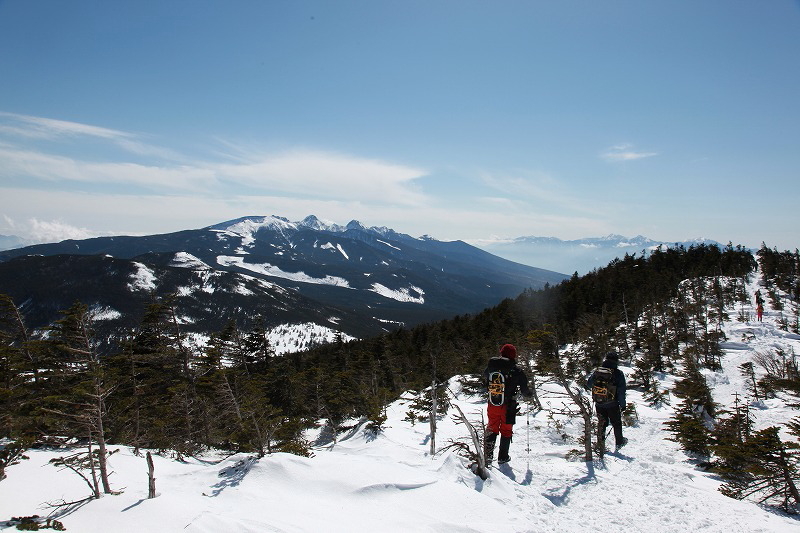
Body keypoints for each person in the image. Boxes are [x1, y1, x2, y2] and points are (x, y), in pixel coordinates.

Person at [483, 344, 532, 466]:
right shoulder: (516, 370)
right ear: (513, 355)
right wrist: (529, 394)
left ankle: (488, 457)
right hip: (508, 405)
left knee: (491, 427)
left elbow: (485, 378)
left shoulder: (491, 366)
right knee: (506, 430)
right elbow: (525, 390)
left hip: (493, 402)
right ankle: (503, 457)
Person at [585, 351, 628, 452]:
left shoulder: (598, 371)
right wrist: (623, 405)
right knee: (616, 423)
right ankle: (619, 443)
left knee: (602, 424)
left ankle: (600, 445)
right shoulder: (618, 373)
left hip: (599, 403)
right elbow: (621, 391)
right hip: (612, 404)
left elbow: (589, 384)